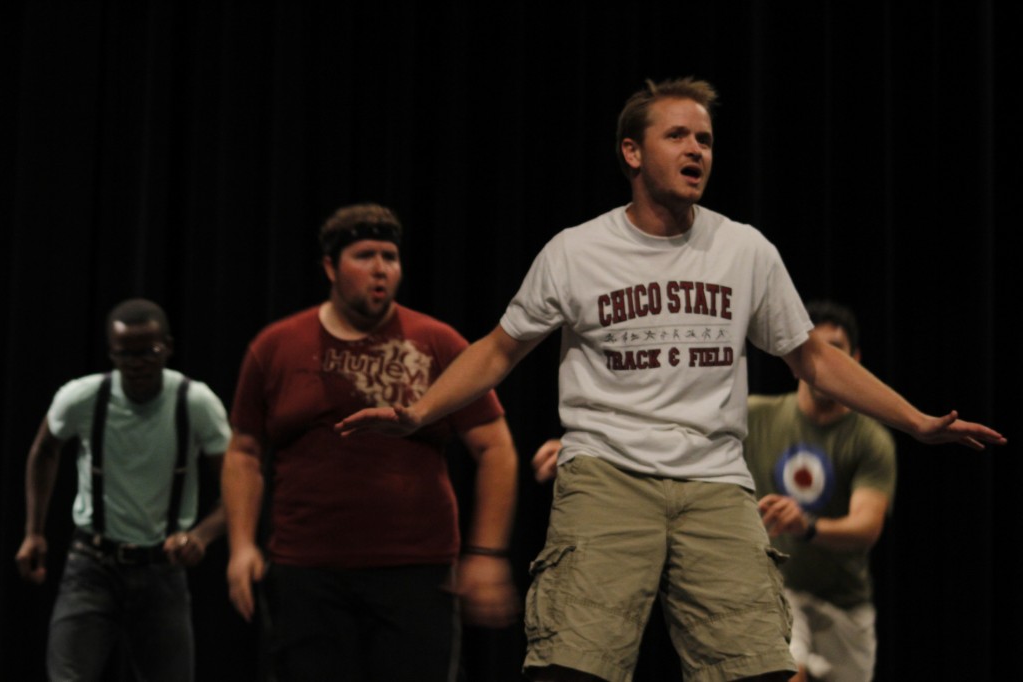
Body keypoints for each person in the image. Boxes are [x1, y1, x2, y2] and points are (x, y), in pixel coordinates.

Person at [336, 77, 1006, 682]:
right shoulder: (577, 251)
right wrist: (418, 412)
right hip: (606, 474)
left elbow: (815, 360)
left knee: (759, 671)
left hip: (715, 481)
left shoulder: (744, 249)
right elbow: (499, 350)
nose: (697, 151)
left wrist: (915, 420)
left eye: (707, 139)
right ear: (632, 152)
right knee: (570, 668)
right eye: (678, 135)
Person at [222, 202, 520, 681]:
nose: (381, 269)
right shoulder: (277, 345)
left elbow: (496, 449)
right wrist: (240, 546)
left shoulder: (437, 342)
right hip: (306, 573)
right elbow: (243, 453)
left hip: (416, 573)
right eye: (364, 255)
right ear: (329, 266)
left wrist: (486, 554)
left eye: (391, 256)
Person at [14, 298, 231, 682]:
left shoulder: (194, 403)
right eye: (125, 355)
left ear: (167, 346)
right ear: (111, 354)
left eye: (148, 352)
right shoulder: (83, 397)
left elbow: (238, 485)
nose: (137, 365)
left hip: (162, 570)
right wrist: (34, 531)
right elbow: (44, 449)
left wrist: (201, 536)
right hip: (92, 564)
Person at [744, 300, 894, 682]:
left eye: (836, 352)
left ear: (853, 360)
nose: (824, 363)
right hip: (779, 591)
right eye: (815, 350)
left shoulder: (869, 439)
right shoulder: (754, 416)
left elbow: (866, 527)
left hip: (845, 605)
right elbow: (681, 432)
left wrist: (807, 526)